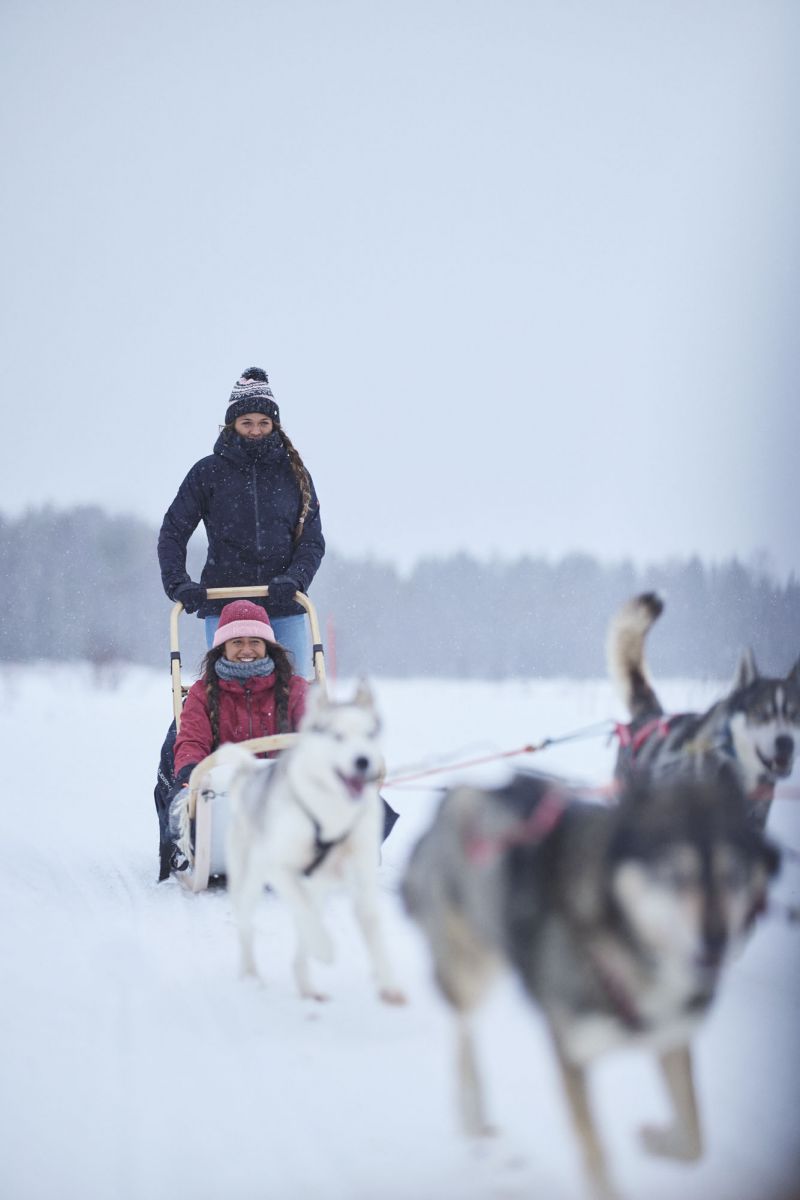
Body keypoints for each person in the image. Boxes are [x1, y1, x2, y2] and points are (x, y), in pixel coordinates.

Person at [157, 366, 325, 673]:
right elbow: (173, 532)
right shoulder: (208, 473)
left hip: (283, 603)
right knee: (227, 691)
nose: (256, 430)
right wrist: (178, 584)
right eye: (247, 422)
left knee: (294, 692)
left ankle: (295, 724)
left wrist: (295, 579)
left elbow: (312, 540)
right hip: (225, 603)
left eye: (263, 423)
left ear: (275, 425)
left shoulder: (293, 475)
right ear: (232, 425)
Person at [155, 600, 308, 879]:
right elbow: (192, 740)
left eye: (255, 641)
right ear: (222, 648)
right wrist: (189, 776)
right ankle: (184, 844)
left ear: (268, 646)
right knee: (173, 746)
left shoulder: (294, 689)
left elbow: (314, 735)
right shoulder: (204, 693)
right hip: (222, 793)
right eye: (237, 642)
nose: (246, 650)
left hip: (282, 788)